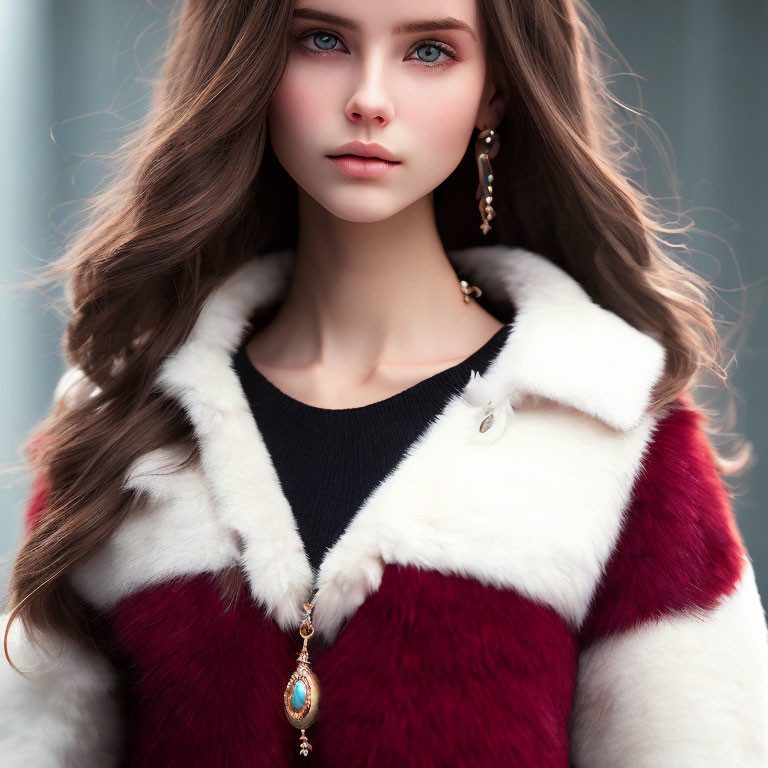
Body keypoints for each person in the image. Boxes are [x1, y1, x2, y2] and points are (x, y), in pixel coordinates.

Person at [2, 0, 767, 765]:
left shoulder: (613, 436)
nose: (369, 97)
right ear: (253, 62)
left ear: (493, 91)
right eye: (323, 40)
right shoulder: (122, 429)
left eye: (429, 51)